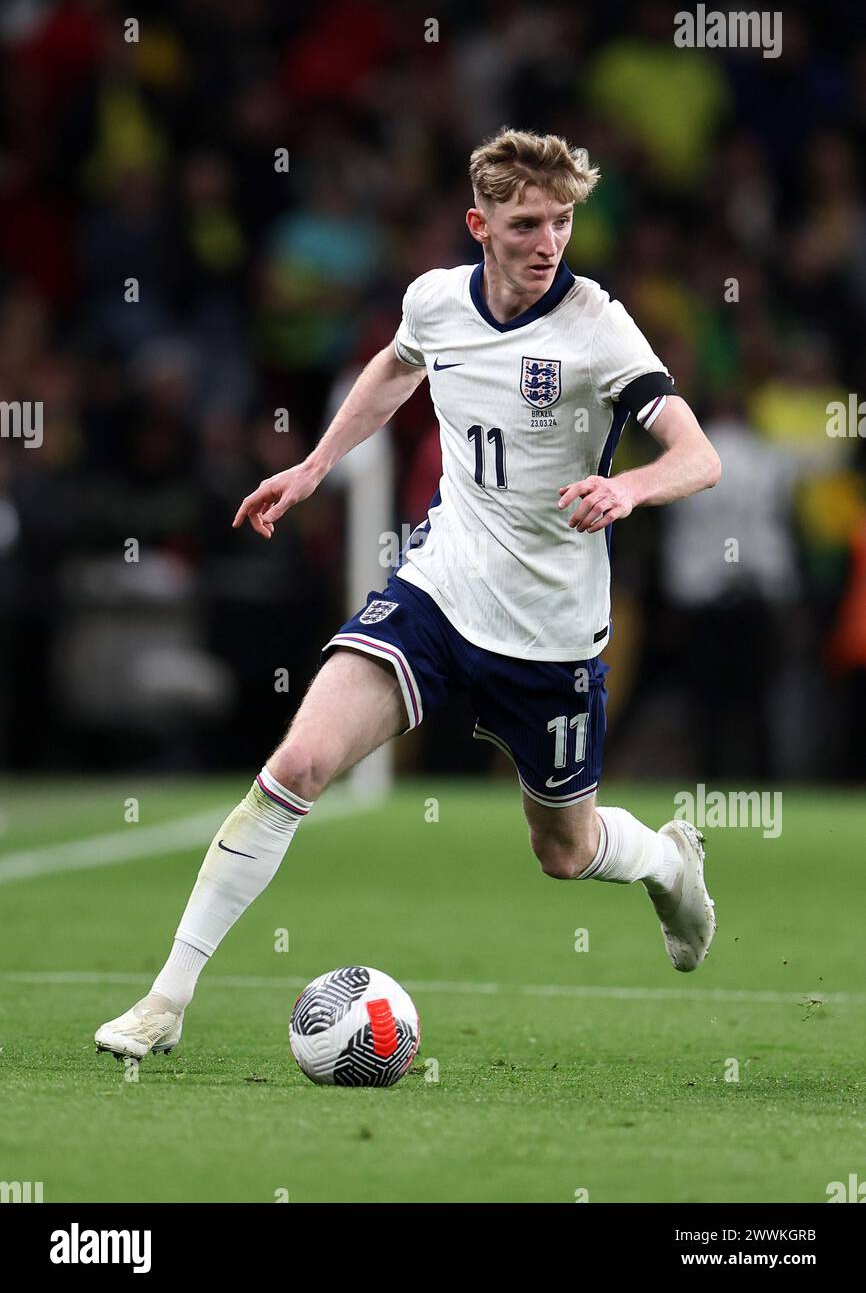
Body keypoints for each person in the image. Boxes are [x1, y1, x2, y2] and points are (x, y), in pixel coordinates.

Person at [95, 129, 721, 1061]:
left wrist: (627, 487)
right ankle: (164, 1001)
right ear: (479, 225)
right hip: (439, 587)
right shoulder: (435, 299)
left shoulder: (599, 326)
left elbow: (697, 455)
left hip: (551, 628)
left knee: (565, 851)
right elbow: (397, 366)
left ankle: (670, 863)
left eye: (561, 221)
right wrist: (313, 467)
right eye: (524, 224)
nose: (548, 241)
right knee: (297, 766)